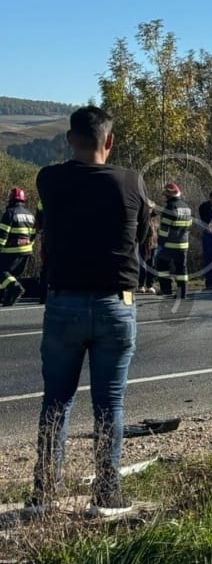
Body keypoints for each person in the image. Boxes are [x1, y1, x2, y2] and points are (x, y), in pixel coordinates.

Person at [30, 106, 150, 517]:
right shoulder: (131, 181)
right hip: (116, 303)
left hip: (64, 301)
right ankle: (106, 494)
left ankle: (45, 494)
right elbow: (142, 234)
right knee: (109, 404)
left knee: (56, 401)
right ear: (110, 141)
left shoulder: (49, 179)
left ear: (69, 139)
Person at [154, 182, 193, 298]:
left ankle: (166, 289)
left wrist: (160, 243)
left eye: (166, 194)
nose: (165, 197)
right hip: (183, 244)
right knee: (181, 269)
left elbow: (164, 229)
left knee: (162, 265)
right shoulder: (186, 207)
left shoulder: (170, 207)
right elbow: (189, 226)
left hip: (169, 244)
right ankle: (182, 292)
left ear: (170, 194)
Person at [0, 187, 37, 306]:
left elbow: (3, 233)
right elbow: (33, 234)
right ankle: (8, 299)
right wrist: (28, 245)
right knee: (10, 275)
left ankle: (15, 287)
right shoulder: (30, 215)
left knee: (2, 271)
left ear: (10, 199)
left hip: (11, 250)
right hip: (27, 251)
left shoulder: (10, 213)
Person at [198, 191, 212, 290]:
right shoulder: (204, 207)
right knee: (208, 259)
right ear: (209, 198)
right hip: (208, 235)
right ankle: (210, 282)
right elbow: (202, 217)